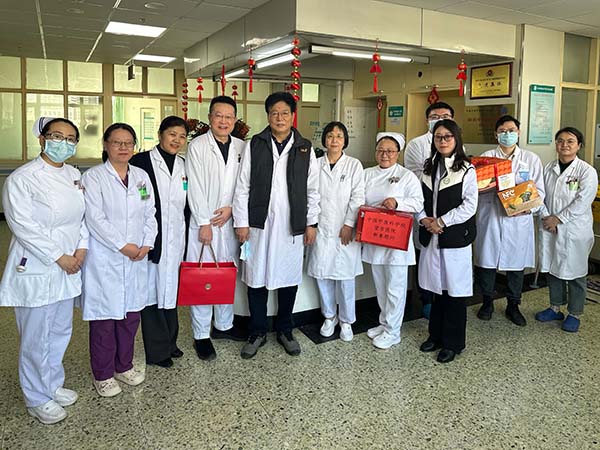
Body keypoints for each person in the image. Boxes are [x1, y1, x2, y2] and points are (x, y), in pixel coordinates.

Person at [0, 117, 87, 424]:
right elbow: (22, 226)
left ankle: (51, 384)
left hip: (69, 264)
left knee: (60, 331)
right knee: (36, 336)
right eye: (57, 136)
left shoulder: (74, 174)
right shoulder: (23, 178)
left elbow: (81, 218)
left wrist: (80, 250)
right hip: (36, 265)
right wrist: (59, 256)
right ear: (42, 139)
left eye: (70, 138)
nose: (64, 143)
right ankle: (36, 397)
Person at [233, 91, 320, 359]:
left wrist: (312, 223)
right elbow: (242, 186)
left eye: (284, 113)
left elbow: (313, 189)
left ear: (293, 116)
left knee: (288, 279)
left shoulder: (304, 147)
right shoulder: (255, 144)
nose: (279, 118)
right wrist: (241, 222)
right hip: (258, 224)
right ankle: (257, 331)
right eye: (274, 113)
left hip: (291, 225)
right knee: (255, 277)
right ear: (268, 116)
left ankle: (285, 330)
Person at [81, 123, 158, 397]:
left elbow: (150, 212)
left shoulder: (141, 177)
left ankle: (123, 365)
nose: (123, 147)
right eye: (117, 142)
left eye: (128, 143)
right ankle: (102, 374)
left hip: (136, 256)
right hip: (106, 257)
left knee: (129, 316)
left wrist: (147, 243)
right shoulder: (93, 177)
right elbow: (95, 218)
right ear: (106, 145)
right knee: (104, 319)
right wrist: (123, 246)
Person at [185, 96, 247, 361]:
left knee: (226, 275)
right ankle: (201, 335)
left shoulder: (242, 147)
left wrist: (232, 208)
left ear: (235, 120)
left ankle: (224, 325)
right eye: (219, 115)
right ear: (210, 117)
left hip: (230, 221)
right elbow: (194, 186)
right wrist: (203, 222)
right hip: (206, 223)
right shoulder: (198, 146)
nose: (224, 121)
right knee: (203, 278)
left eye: (229, 116)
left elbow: (245, 185)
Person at [474, 115, 545, 326]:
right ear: (496, 134)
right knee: (486, 263)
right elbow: (474, 188)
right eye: (503, 131)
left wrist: (528, 207)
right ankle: (487, 302)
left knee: (516, 265)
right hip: (490, 216)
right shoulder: (486, 157)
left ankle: (514, 305)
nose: (507, 134)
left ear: (519, 132)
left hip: (518, 221)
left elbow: (539, 191)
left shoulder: (531, 159)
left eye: (511, 130)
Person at [130, 116, 188, 368]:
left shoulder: (183, 164)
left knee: (170, 291)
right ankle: (157, 351)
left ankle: (170, 343)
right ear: (160, 134)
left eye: (182, 136)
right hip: (152, 238)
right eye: (172, 134)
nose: (177, 140)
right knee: (152, 294)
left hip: (176, 238)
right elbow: (138, 201)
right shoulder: (141, 162)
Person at [418, 119, 477, 363]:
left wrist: (441, 221)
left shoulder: (466, 169)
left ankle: (453, 343)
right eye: (438, 137)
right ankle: (435, 335)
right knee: (436, 289)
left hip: (453, 238)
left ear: (456, 139)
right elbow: (418, 200)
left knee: (454, 292)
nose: (442, 141)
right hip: (431, 236)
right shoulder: (428, 167)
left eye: (447, 137)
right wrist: (423, 219)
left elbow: (470, 205)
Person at [363, 132, 423, 349]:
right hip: (375, 236)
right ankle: (384, 323)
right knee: (380, 285)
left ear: (398, 153)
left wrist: (397, 203)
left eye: (390, 151)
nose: (384, 154)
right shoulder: (367, 173)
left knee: (395, 287)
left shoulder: (407, 176)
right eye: (380, 150)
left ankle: (393, 331)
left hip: (397, 239)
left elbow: (418, 203)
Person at [536, 127, 598, 333]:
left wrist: (558, 219)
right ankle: (555, 307)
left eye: (570, 141)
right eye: (560, 141)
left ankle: (574, 313)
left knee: (576, 272)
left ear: (579, 145)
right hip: (550, 226)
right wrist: (547, 217)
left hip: (574, 229)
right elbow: (539, 194)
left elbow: (583, 201)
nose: (565, 145)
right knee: (552, 267)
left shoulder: (586, 171)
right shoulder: (548, 168)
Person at [307, 121, 364, 342]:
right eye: (330, 136)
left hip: (344, 229)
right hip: (321, 229)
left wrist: (349, 224)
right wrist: (311, 224)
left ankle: (347, 321)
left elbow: (358, 197)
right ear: (324, 139)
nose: (334, 140)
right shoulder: (315, 164)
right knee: (323, 276)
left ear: (345, 140)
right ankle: (329, 317)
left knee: (346, 278)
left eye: (339, 136)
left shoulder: (353, 165)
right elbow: (310, 196)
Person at [404, 101, 455, 319]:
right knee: (423, 256)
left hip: (449, 213)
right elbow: (416, 177)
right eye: (435, 117)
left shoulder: (458, 145)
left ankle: (443, 299)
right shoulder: (416, 144)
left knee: (445, 260)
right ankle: (425, 300)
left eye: (446, 116)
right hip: (424, 208)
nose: (440, 120)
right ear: (427, 121)